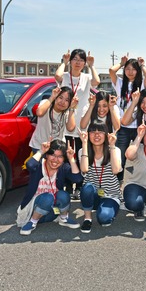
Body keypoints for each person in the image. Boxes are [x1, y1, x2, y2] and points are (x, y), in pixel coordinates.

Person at [55, 48, 101, 198]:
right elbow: (57, 75)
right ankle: (68, 185)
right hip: (67, 121)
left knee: (82, 153)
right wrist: (64, 61)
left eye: (81, 60)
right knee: (67, 153)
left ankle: (80, 186)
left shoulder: (87, 77)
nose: (77, 62)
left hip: (82, 121)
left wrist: (92, 65)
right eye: (75, 59)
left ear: (84, 63)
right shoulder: (66, 76)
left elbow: (97, 81)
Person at [16, 139, 83, 235]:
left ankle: (63, 218)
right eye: (52, 155)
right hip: (33, 210)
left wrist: (71, 159)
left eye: (60, 156)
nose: (55, 160)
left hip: (51, 213)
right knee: (48, 197)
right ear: (47, 155)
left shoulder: (63, 167)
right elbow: (29, 165)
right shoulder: (39, 165)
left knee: (63, 195)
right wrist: (41, 151)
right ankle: (33, 222)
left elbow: (78, 179)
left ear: (64, 158)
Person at [109, 54, 146, 181]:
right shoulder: (120, 83)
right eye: (127, 69)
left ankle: (138, 179)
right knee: (120, 156)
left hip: (138, 127)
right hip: (121, 127)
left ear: (138, 71)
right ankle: (119, 182)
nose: (130, 72)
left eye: (133, 69)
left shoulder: (141, 85)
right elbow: (111, 71)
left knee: (139, 155)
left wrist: (143, 64)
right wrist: (122, 63)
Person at [77, 122, 122, 233]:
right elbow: (84, 169)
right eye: (93, 132)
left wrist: (111, 146)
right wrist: (84, 144)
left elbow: (116, 170)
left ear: (106, 135)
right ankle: (87, 218)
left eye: (100, 132)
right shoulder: (83, 151)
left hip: (110, 194)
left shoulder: (115, 150)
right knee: (87, 187)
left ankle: (105, 209)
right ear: (88, 134)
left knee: (104, 219)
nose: (96, 135)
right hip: (92, 194)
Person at [28, 86, 78, 153]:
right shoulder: (46, 103)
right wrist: (52, 97)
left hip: (57, 148)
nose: (62, 102)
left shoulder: (68, 112)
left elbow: (71, 128)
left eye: (67, 100)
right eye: (60, 97)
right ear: (56, 97)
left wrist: (72, 108)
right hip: (39, 146)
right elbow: (39, 113)